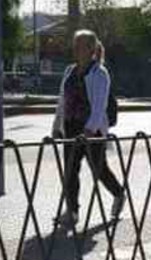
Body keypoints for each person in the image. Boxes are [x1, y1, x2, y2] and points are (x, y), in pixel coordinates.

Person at [52, 29, 125, 231]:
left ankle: (119, 193)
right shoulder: (69, 71)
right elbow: (61, 102)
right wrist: (57, 127)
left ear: (91, 49)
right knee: (70, 171)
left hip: (91, 130)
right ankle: (72, 211)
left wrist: (90, 130)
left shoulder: (99, 73)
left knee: (99, 169)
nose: (76, 49)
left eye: (81, 46)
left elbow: (100, 105)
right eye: (75, 45)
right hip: (70, 127)